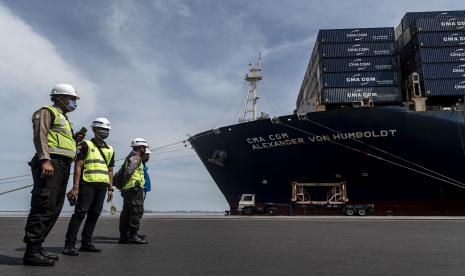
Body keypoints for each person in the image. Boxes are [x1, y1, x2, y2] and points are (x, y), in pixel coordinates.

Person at [23, 83, 84, 266]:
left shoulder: (64, 119)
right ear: (60, 97)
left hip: (63, 165)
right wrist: (45, 160)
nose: (74, 102)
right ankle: (31, 251)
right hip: (52, 164)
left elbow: (59, 141)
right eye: (72, 98)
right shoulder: (46, 111)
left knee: (54, 207)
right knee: (44, 205)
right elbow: (40, 135)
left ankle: (38, 246)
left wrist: (75, 141)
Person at [62, 118, 115, 256]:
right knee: (80, 213)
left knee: (94, 214)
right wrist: (75, 187)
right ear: (95, 130)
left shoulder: (110, 149)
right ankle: (69, 245)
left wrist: (110, 188)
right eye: (102, 129)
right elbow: (78, 166)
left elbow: (110, 170)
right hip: (87, 184)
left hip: (102, 186)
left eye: (107, 130)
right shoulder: (86, 145)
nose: (105, 132)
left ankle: (86, 243)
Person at [118, 138, 149, 244]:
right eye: (145, 147)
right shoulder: (136, 157)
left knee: (126, 213)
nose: (145, 149)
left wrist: (123, 187)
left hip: (128, 189)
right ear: (141, 147)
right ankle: (133, 235)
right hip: (134, 189)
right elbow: (129, 172)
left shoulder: (130, 156)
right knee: (136, 212)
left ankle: (124, 235)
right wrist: (125, 185)